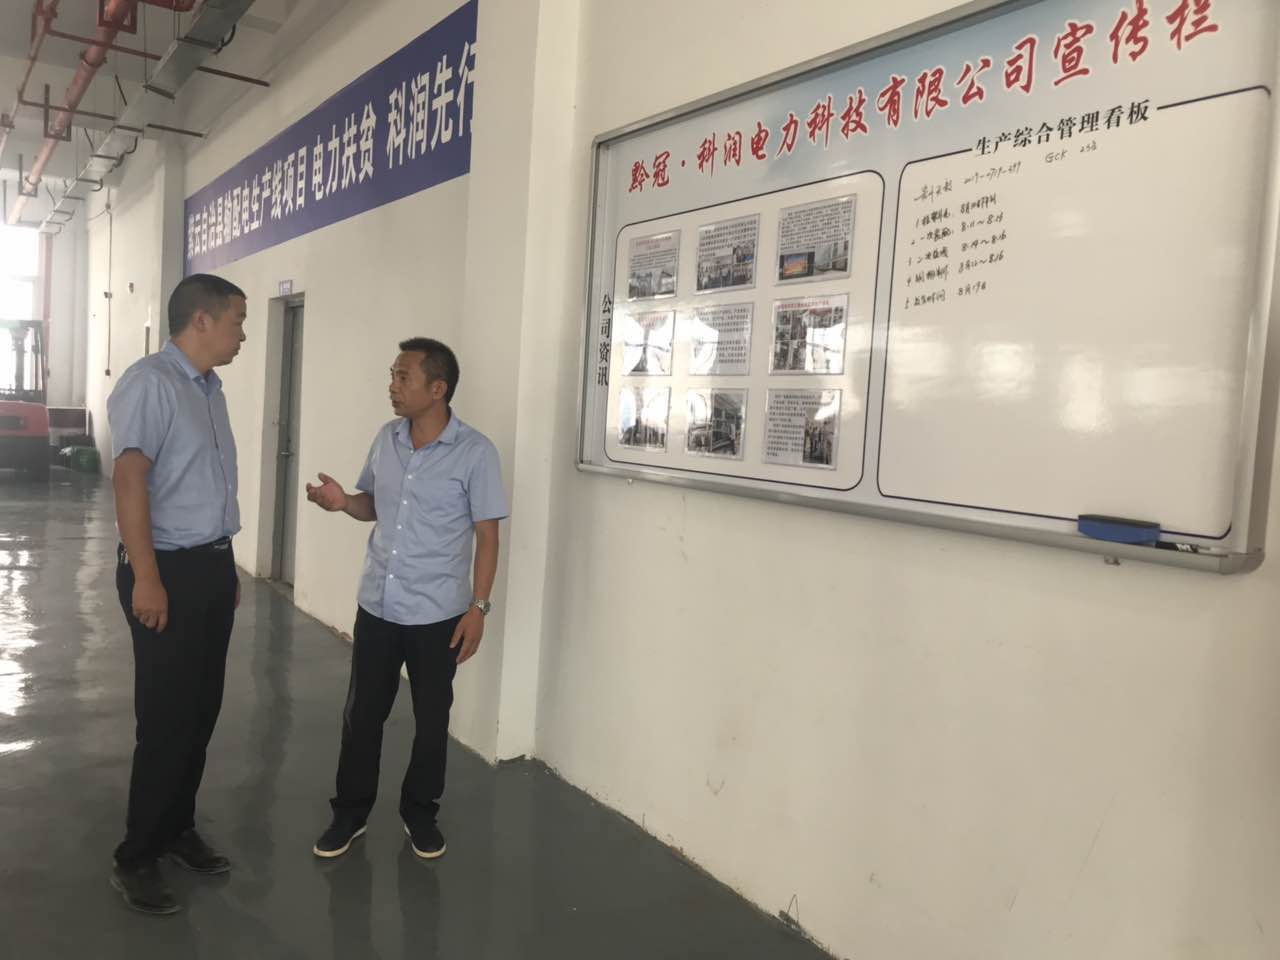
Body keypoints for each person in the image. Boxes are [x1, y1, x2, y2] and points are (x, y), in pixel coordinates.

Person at [308, 337, 507, 861]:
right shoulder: (386, 439)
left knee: (431, 721)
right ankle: (350, 814)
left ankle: (420, 814)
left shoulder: (476, 453)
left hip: (437, 614)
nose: (392, 387)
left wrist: (479, 609)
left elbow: (488, 537)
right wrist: (342, 503)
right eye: (392, 375)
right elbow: (373, 505)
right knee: (361, 715)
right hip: (378, 604)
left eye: (403, 377)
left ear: (437, 389)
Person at [106, 274, 247, 915]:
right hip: (164, 569)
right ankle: (136, 856)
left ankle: (177, 827)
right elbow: (129, 479)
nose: (242, 334)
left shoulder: (209, 390)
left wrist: (226, 565)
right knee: (165, 719)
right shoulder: (152, 383)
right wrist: (147, 576)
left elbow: (202, 487)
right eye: (237, 321)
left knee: (201, 710)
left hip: (210, 566)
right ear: (202, 321)